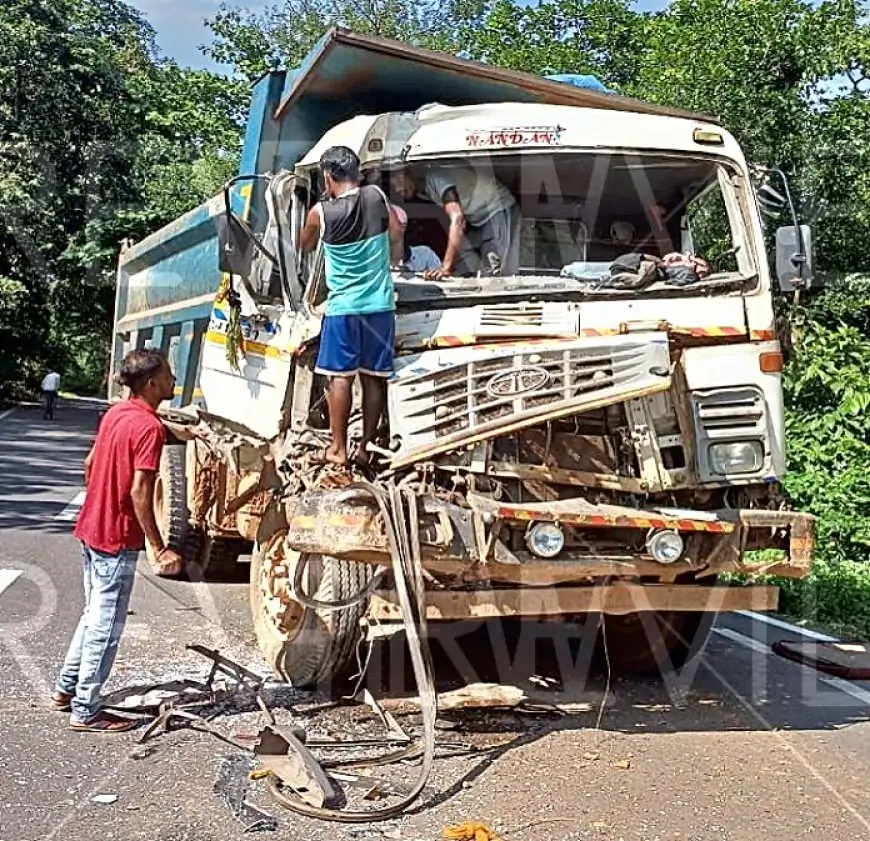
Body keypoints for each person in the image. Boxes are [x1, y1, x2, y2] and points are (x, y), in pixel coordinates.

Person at [51, 349, 182, 733]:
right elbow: (142, 492)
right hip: (116, 539)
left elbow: (89, 464)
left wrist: (100, 502)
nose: (174, 381)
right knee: (106, 626)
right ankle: (86, 709)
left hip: (91, 529)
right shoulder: (148, 428)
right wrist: (157, 545)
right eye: (170, 375)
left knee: (92, 616)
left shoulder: (116, 414)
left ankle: (65, 690)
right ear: (152, 383)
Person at [299, 146, 405, 467]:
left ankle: (338, 449)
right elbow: (397, 232)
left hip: (343, 308)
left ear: (328, 177)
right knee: (374, 377)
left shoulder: (320, 213)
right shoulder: (377, 197)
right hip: (380, 307)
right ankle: (365, 448)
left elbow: (303, 245)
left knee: (340, 378)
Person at [389, 164, 521, 279]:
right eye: (393, 185)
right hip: (475, 219)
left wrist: (445, 267)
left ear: (410, 174)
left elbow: (457, 218)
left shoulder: (436, 177)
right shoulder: (421, 191)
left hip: (498, 208)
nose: (397, 189)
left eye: (399, 180)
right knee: (461, 256)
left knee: (494, 268)